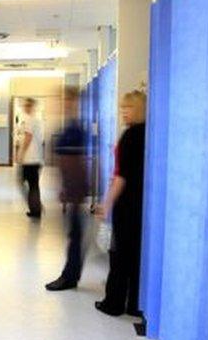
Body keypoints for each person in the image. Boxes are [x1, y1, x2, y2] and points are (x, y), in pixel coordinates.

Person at [95, 90, 147, 316]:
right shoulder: (149, 133)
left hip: (127, 204)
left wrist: (106, 204)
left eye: (129, 108)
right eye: (122, 108)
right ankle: (136, 303)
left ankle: (113, 303)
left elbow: (121, 178)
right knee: (136, 254)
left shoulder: (129, 136)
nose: (124, 112)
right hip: (142, 202)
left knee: (119, 255)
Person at [45, 87, 89, 292]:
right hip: (71, 188)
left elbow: (75, 163)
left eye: (67, 100)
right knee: (74, 233)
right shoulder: (68, 127)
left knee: (75, 233)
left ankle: (70, 276)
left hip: (75, 189)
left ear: (74, 102)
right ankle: (71, 274)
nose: (63, 104)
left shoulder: (75, 129)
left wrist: (71, 191)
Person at [15, 98, 45, 218]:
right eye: (25, 105)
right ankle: (36, 208)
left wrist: (21, 154)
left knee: (24, 183)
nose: (26, 107)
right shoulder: (37, 121)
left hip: (30, 160)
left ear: (32, 107)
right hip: (36, 159)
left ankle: (36, 207)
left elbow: (28, 138)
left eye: (28, 105)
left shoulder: (29, 120)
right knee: (33, 185)